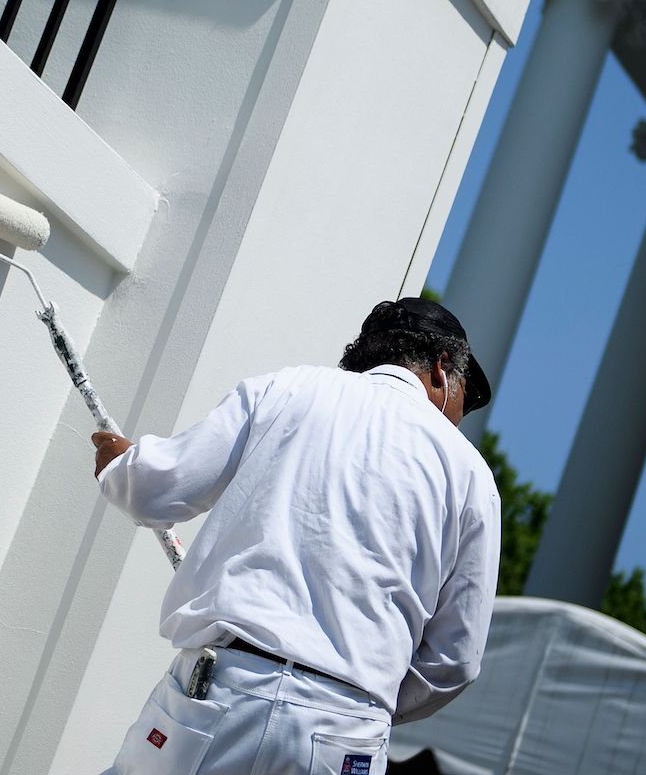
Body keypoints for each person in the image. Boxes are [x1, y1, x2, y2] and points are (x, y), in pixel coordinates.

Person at [92, 298, 501, 775]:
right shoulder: (471, 475)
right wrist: (359, 691)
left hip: (223, 693)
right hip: (348, 733)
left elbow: (154, 490)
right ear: (439, 369)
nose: (456, 420)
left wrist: (122, 464)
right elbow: (455, 662)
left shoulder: (287, 389)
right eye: (463, 400)